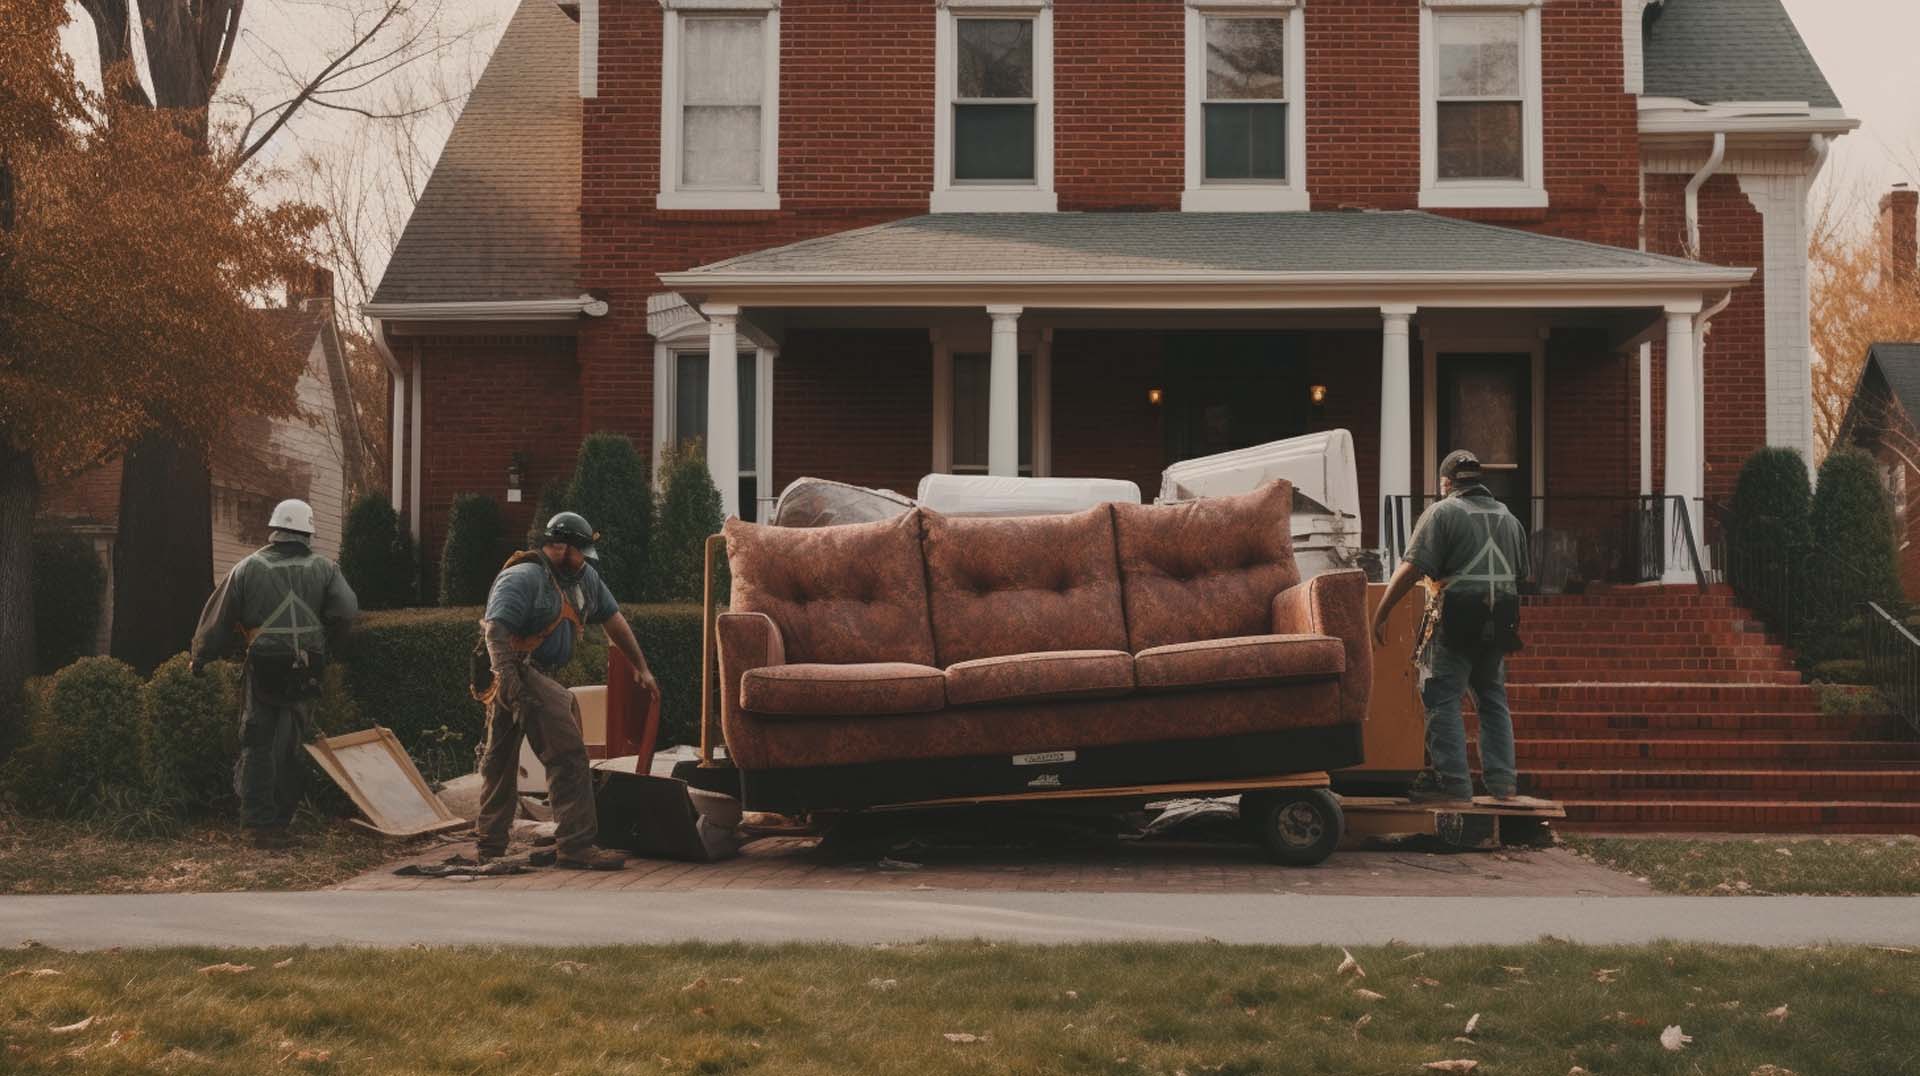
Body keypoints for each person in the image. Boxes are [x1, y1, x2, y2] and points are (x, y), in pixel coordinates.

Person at [475, 511, 659, 870]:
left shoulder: (583, 577)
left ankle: (495, 848)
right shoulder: (523, 577)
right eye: (580, 552)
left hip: (536, 675)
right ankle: (571, 847)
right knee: (557, 756)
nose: (585, 561)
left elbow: (613, 620)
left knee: (505, 760)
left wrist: (641, 667)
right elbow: (495, 632)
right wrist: (511, 686)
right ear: (558, 546)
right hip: (515, 671)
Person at [191, 499, 359, 848]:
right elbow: (345, 611)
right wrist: (331, 650)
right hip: (307, 665)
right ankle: (283, 822)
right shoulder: (326, 569)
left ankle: (258, 825)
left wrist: (201, 657)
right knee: (294, 744)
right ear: (308, 532)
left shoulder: (247, 568)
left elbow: (218, 619)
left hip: (264, 665)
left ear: (275, 529)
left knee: (258, 742)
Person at [1369, 450, 1529, 805]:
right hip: (1501, 619)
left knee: (1442, 699)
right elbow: (1521, 575)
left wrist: (1382, 611)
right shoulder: (1510, 518)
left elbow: (1412, 568)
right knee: (1492, 699)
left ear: (1446, 482)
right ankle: (1503, 784)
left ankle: (1453, 784)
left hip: (1457, 617)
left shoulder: (1442, 513)